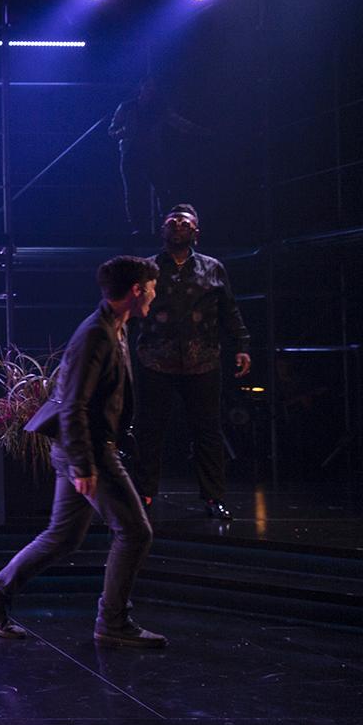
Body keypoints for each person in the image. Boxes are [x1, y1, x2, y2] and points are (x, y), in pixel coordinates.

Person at [0, 255, 166, 648]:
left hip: (85, 448)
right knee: (135, 532)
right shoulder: (95, 334)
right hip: (89, 451)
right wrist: (83, 464)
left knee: (63, 536)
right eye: (153, 289)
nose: (155, 296)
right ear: (136, 290)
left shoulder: (115, 328)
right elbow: (73, 404)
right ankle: (113, 622)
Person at [132, 204, 251, 522]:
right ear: (163, 229)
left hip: (202, 361)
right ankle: (144, 493)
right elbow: (131, 310)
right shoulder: (147, 268)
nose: (178, 226)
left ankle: (213, 497)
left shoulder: (213, 268)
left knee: (208, 431)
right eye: (172, 222)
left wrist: (242, 345)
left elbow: (229, 309)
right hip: (156, 359)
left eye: (185, 223)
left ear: (196, 231)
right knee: (149, 429)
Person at [108, 76, 209, 235]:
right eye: (148, 86)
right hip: (131, 154)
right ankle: (138, 228)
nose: (151, 90)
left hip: (151, 154)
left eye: (153, 87)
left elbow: (178, 122)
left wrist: (200, 131)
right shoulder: (127, 107)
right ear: (141, 87)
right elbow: (112, 130)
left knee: (162, 190)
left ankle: (165, 225)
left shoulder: (159, 108)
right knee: (133, 192)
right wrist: (123, 132)